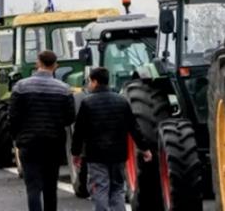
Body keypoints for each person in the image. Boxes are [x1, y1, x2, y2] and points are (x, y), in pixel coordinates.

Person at [71, 67, 152, 211]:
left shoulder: (87, 103)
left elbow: (79, 132)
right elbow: (134, 128)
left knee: (100, 188)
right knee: (117, 189)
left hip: (96, 155)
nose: (89, 84)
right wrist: (144, 148)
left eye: (89, 81)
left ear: (95, 82)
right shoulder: (121, 101)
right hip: (118, 154)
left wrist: (75, 153)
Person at [9, 50, 76, 211]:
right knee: (50, 187)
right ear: (55, 65)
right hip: (53, 143)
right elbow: (69, 118)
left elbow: (13, 116)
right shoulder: (64, 89)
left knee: (33, 187)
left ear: (38, 63)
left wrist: (17, 138)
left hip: (28, 143)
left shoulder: (21, 87)